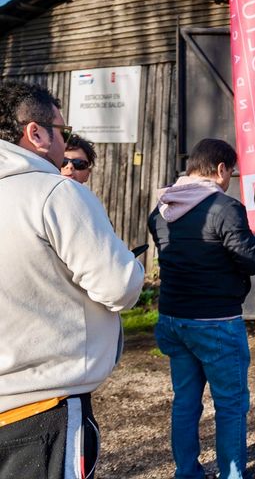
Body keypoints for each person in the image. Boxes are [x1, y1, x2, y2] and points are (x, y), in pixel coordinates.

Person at [0, 80, 144, 478]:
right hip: (43, 409)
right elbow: (120, 286)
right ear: (36, 133)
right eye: (62, 130)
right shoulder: (54, 193)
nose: (65, 145)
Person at [148, 138, 255, 479]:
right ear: (220, 169)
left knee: (185, 401)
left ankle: (186, 471)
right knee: (230, 404)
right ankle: (231, 474)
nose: (230, 177)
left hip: (173, 316)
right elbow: (248, 259)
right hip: (215, 320)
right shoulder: (225, 207)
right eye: (231, 171)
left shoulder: (162, 208)